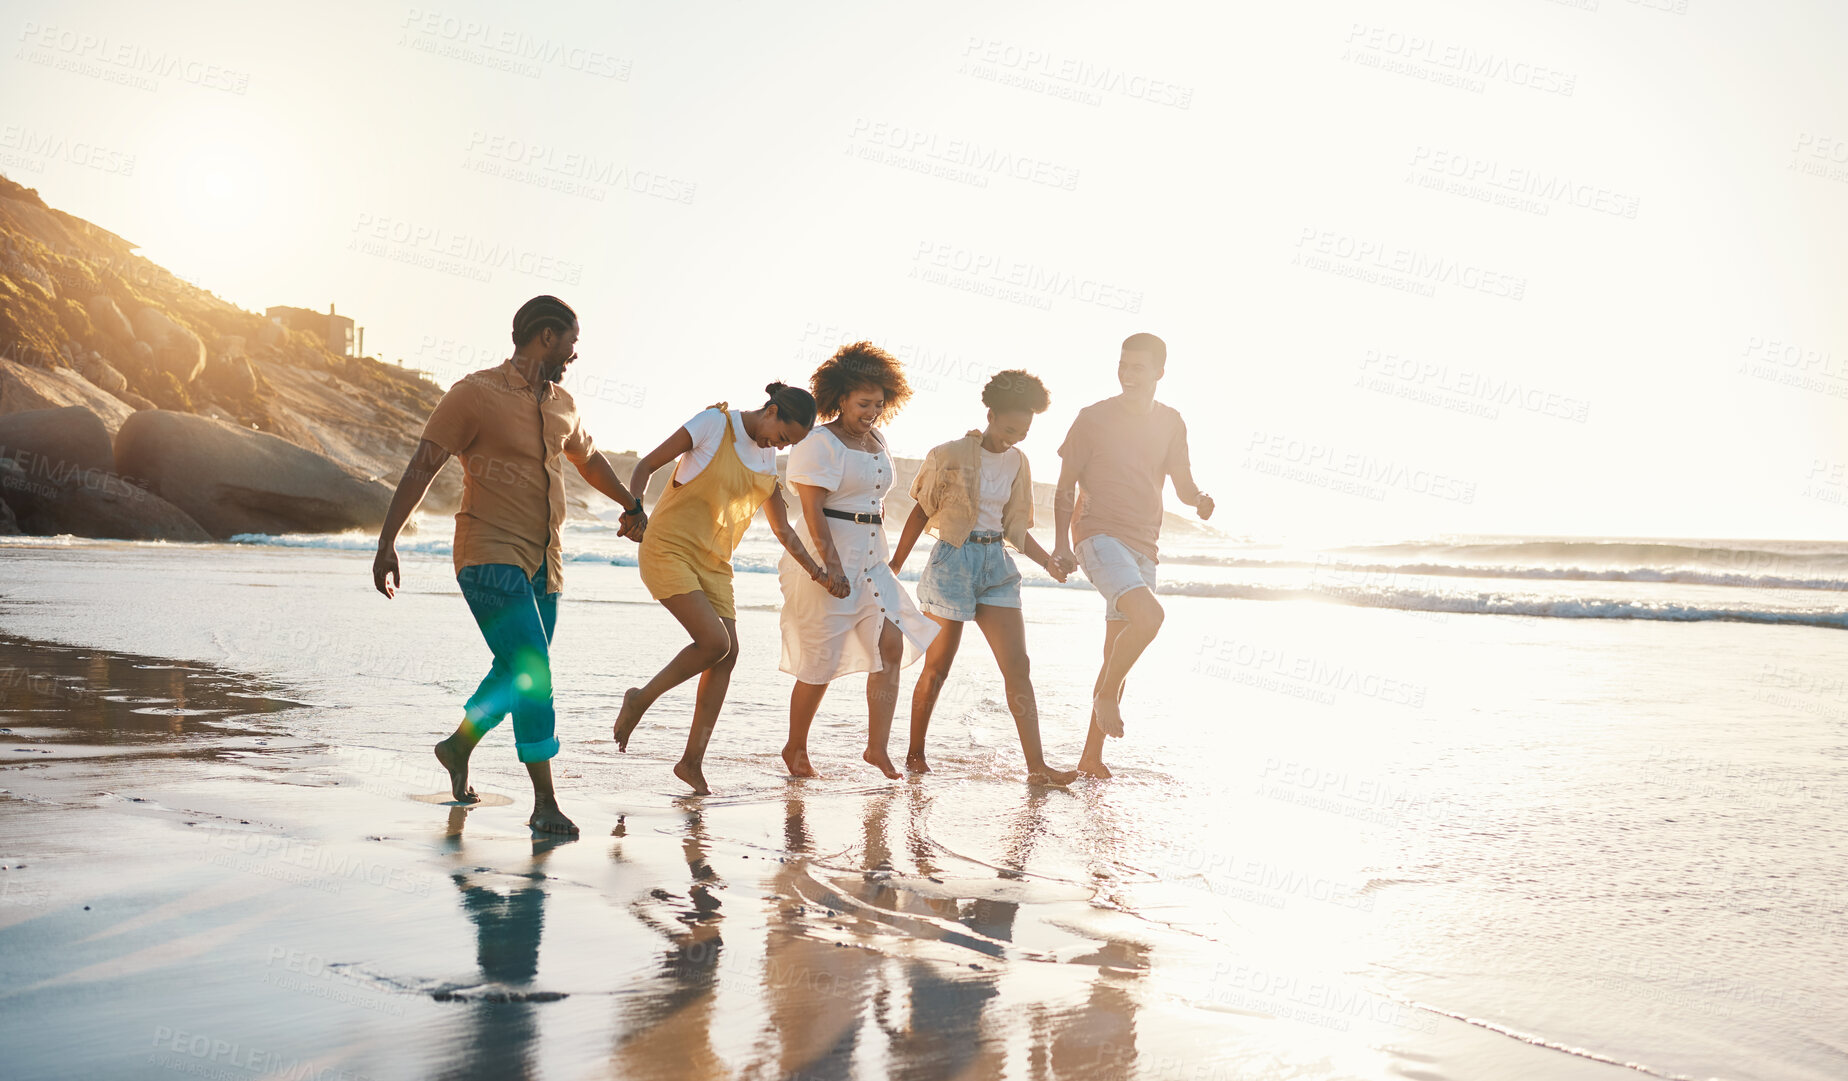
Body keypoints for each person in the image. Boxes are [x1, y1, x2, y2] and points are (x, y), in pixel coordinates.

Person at [373, 295, 644, 834]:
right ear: (546, 337)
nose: (573, 353)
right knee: (534, 670)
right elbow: (422, 466)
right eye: (571, 341)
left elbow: (589, 460)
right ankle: (544, 803)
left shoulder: (563, 402)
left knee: (517, 671)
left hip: (547, 561)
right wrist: (387, 542)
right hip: (488, 553)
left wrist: (631, 505)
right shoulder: (474, 394)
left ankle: (458, 746)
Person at [610, 383, 825, 795]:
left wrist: (819, 572)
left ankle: (691, 762)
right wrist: (634, 508)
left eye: (787, 446)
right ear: (772, 411)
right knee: (713, 642)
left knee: (728, 654)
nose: (777, 448)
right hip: (668, 548)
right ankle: (640, 698)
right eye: (781, 437)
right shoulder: (715, 424)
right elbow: (646, 465)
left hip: (715, 564)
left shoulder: (766, 462)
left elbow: (782, 530)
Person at [889, 369, 1078, 785]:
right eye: (1011, 427)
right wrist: (896, 565)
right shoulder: (949, 453)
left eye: (1025, 430)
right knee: (938, 667)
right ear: (990, 414)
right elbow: (921, 510)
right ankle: (915, 755)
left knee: (1019, 666)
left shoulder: (1018, 462)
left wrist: (1048, 562)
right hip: (953, 561)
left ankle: (1037, 768)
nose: (1017, 436)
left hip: (997, 564)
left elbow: (1015, 527)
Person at [1049, 333, 1214, 779]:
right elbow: (1065, 486)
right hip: (1098, 533)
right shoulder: (1093, 418)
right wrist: (1063, 545)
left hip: (1145, 545)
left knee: (1117, 651)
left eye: (1137, 367)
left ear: (1160, 372)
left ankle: (1090, 757)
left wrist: (1198, 498)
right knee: (1150, 618)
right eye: (1122, 365)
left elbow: (1181, 482)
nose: (1127, 374)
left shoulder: (1172, 422)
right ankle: (1105, 695)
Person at [777, 341, 938, 779]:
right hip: (831, 553)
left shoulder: (877, 439)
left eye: (879, 404)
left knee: (891, 646)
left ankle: (876, 748)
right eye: (863, 403)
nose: (872, 412)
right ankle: (795, 748)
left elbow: (876, 498)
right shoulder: (818, 442)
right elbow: (812, 511)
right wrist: (830, 567)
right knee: (820, 660)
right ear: (841, 398)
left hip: (872, 557)